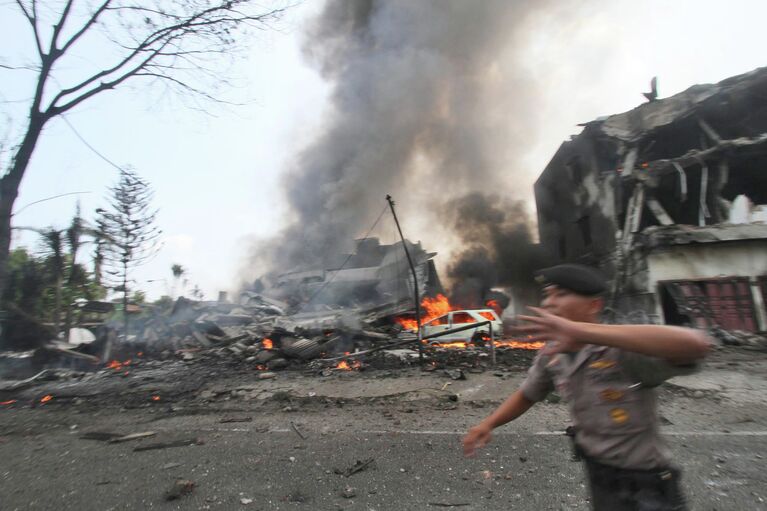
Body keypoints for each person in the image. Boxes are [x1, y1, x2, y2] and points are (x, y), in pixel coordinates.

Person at [462, 263, 711, 511]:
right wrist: (488, 424)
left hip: (647, 485)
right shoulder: (553, 353)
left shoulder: (620, 350)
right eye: (548, 295)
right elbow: (528, 393)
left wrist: (579, 330)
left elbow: (695, 345)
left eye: (560, 294)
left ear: (594, 305)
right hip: (599, 477)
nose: (549, 303)